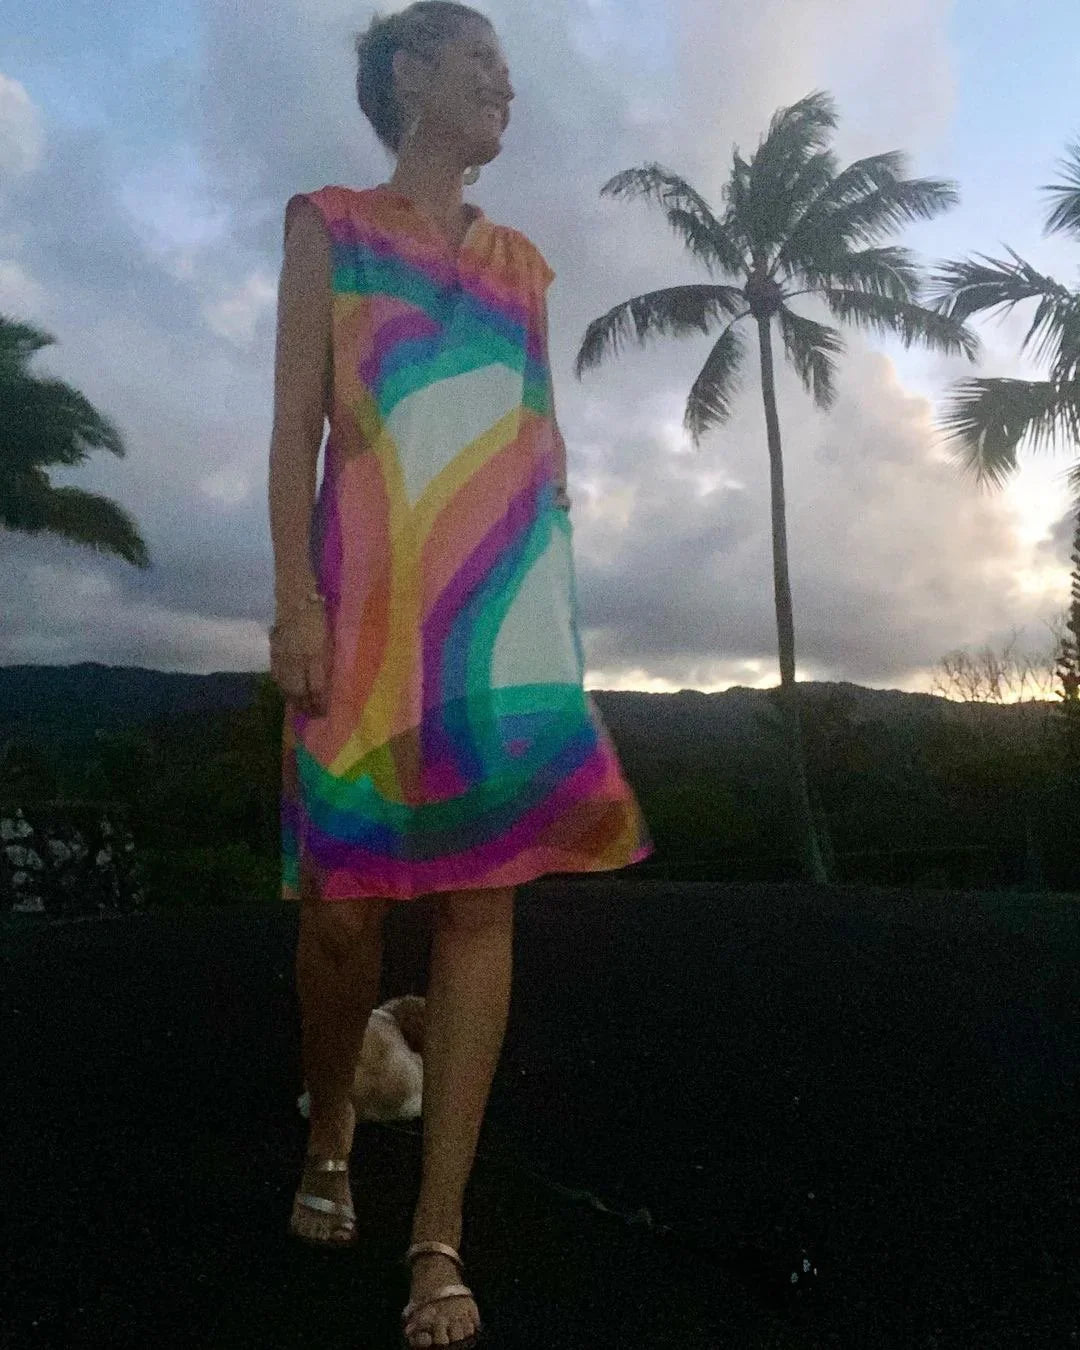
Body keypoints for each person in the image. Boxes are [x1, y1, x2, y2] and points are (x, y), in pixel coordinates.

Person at [266, 4, 654, 1345]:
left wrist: (551, 538)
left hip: (496, 618)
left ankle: (438, 1235)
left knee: (481, 911)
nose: (504, 85)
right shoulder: (329, 223)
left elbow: (540, 432)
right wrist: (294, 599)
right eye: (478, 62)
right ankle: (332, 1111)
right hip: (361, 608)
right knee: (339, 916)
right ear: (405, 76)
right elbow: (296, 430)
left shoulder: (525, 266)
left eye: (507, 68)